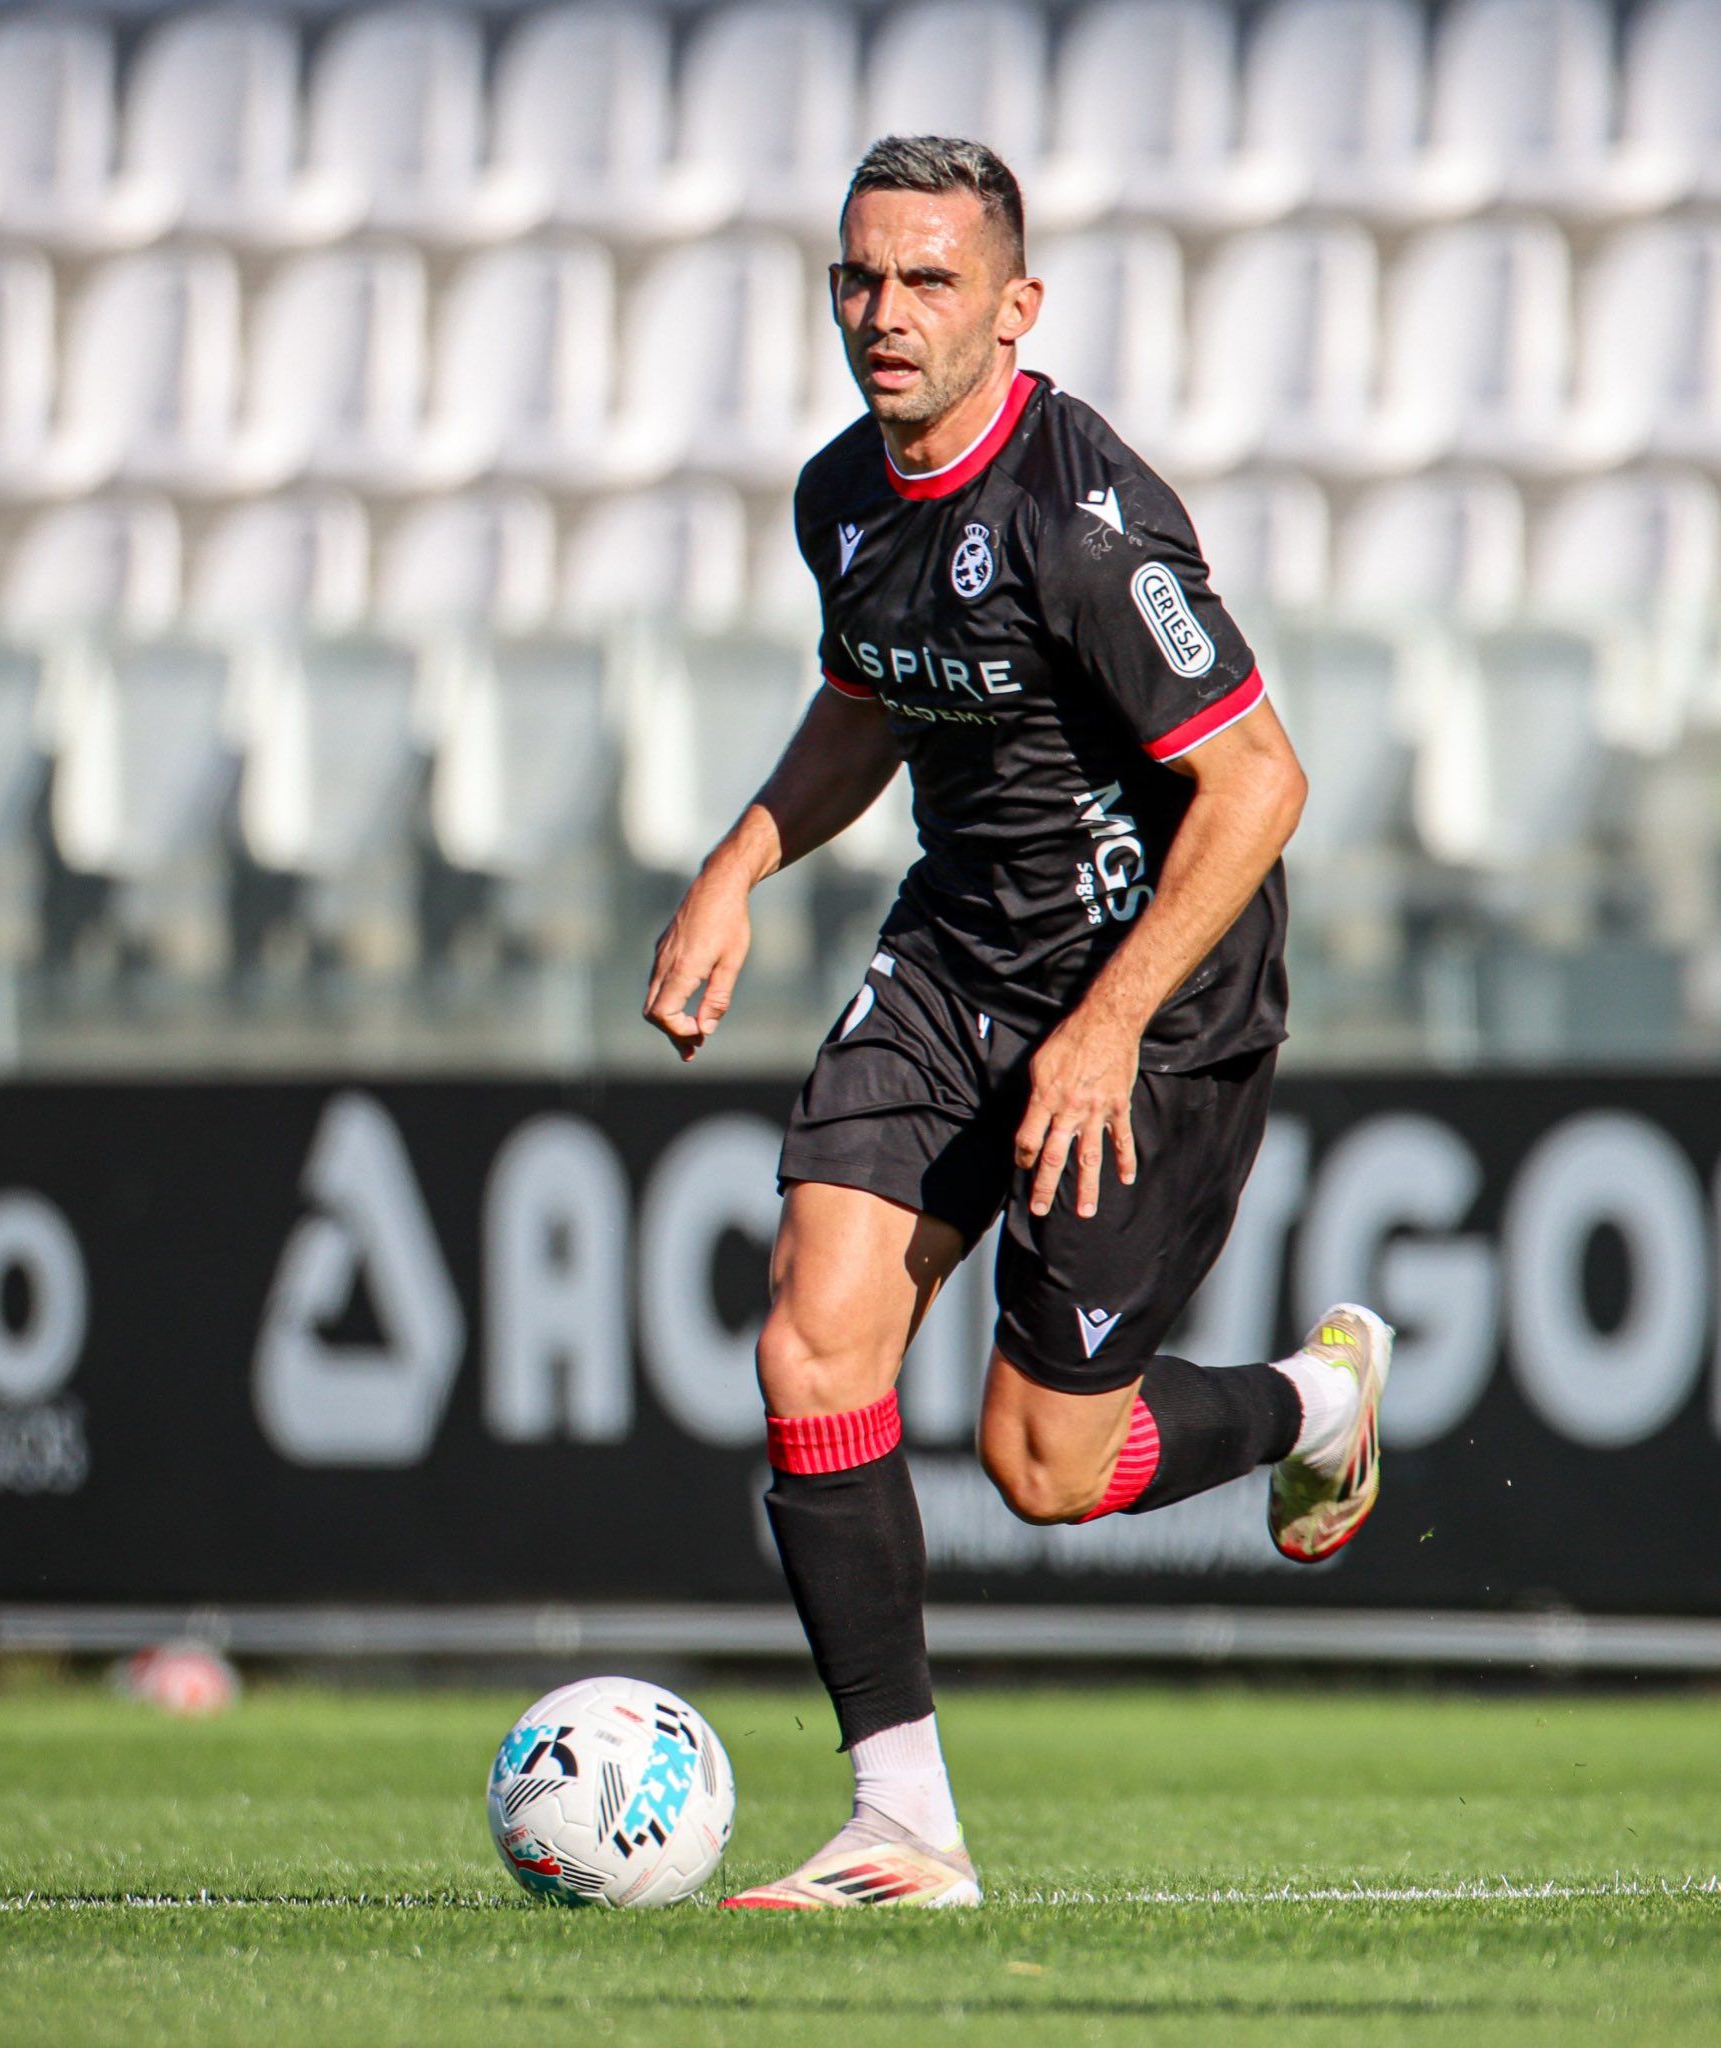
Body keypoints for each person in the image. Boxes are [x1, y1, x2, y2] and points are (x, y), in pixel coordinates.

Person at [644, 135, 1393, 1911]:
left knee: (1044, 1462)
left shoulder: (1079, 512)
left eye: (927, 283)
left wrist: (1110, 1020)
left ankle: (1313, 1401)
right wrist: (737, 861)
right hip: (957, 960)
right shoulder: (842, 496)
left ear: (1013, 307)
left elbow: (1261, 782)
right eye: (859, 278)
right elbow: (870, 701)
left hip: (1157, 998)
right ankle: (901, 1824)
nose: (885, 315)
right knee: (810, 1344)